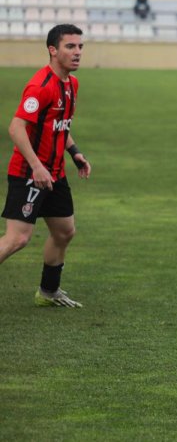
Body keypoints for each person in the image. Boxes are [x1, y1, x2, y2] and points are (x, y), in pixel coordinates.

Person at [1, 24, 93, 309]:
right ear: (53, 50)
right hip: (29, 174)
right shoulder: (40, 87)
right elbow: (16, 128)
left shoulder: (71, 84)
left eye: (80, 46)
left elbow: (59, 127)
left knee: (65, 231)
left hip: (54, 174)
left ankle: (48, 292)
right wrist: (36, 166)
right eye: (70, 46)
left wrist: (74, 152)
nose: (77, 52)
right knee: (17, 239)